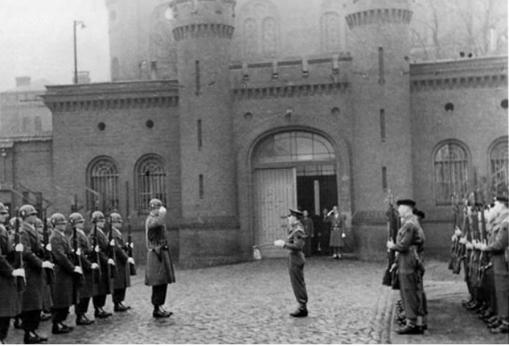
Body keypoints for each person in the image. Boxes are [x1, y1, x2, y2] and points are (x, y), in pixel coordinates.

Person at [387, 199, 423, 335]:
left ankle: (411, 323)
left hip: (407, 260)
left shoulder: (409, 224)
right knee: (408, 290)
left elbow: (403, 245)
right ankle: (414, 321)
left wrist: (392, 247)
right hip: (406, 259)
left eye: (401, 207)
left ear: (407, 209)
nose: (399, 210)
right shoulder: (410, 223)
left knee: (408, 290)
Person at [19, 204, 53, 344]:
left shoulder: (31, 229)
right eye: (31, 214)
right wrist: (40, 263)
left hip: (36, 271)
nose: (34, 216)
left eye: (34, 214)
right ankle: (29, 332)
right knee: (31, 303)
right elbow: (26, 252)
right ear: (25, 217)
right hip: (30, 270)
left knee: (36, 303)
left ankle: (32, 331)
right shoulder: (23, 231)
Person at [49, 213, 81, 334]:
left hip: (65, 273)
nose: (62, 225)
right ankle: (57, 324)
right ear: (54, 225)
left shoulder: (62, 236)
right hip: (60, 272)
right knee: (60, 299)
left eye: (63, 223)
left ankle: (61, 322)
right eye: (59, 224)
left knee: (65, 299)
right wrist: (72, 268)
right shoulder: (55, 237)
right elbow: (60, 256)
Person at [274, 208, 308, 318]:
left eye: (290, 216)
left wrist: (284, 245)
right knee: (296, 283)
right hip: (293, 258)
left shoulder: (298, 229)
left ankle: (302, 306)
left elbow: (298, 246)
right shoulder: (294, 228)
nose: (288, 218)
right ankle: (301, 305)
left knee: (298, 284)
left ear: (295, 218)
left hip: (296, 258)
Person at [145, 199, 175, 318]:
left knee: (163, 281)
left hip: (161, 252)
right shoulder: (152, 220)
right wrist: (162, 213)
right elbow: (155, 224)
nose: (159, 210)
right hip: (155, 254)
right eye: (158, 208)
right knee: (158, 282)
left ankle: (160, 306)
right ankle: (157, 308)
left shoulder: (157, 219)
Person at [483, 195, 509, 334]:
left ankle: (505, 320)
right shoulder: (501, 222)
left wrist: (485, 248)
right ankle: (501, 316)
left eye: (496, 204)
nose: (494, 207)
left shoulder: (506, 223)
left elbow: (499, 244)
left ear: (503, 205)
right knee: (499, 290)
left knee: (503, 291)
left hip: (503, 262)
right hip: (499, 261)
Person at [0, 202, 24, 344]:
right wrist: (11, 271)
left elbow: (7, 252)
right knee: (2, 311)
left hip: (5, 275)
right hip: (3, 275)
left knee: (5, 312)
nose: (5, 216)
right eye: (2, 213)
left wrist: (16, 249)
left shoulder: (3, 229)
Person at [69, 212, 96, 326]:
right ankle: (80, 315)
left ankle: (83, 313)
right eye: (79, 222)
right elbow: (78, 254)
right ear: (74, 225)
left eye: (82, 221)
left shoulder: (82, 234)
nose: (82, 224)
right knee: (82, 293)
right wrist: (88, 264)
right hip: (82, 266)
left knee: (87, 292)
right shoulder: (74, 237)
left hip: (86, 264)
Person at [88, 211, 114, 319]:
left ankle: (101, 307)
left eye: (103, 220)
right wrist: (106, 260)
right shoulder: (94, 234)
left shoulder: (101, 232)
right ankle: (98, 308)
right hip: (100, 262)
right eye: (100, 221)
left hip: (103, 262)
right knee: (99, 287)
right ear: (95, 222)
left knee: (103, 286)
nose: (102, 222)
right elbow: (97, 251)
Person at [109, 212, 133, 312]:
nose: (120, 224)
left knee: (122, 282)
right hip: (117, 260)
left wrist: (126, 246)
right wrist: (126, 257)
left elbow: (120, 246)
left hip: (121, 261)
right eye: (118, 222)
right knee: (118, 283)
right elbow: (116, 248)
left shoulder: (117, 232)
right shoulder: (112, 233)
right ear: (113, 223)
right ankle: (117, 303)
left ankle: (120, 302)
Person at [34, 218, 53, 322]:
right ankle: (41, 310)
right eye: (39, 226)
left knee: (44, 288)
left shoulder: (41, 237)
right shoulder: (36, 237)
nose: (41, 229)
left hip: (43, 265)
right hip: (38, 265)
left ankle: (45, 308)